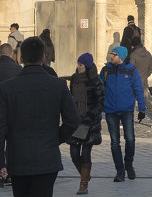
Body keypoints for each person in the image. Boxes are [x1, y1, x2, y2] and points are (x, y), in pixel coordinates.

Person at [0, 36, 79, 197]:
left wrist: (1, 162)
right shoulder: (58, 85)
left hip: (18, 158)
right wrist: (56, 138)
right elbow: (73, 120)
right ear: (43, 57)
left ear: (21, 58)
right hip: (47, 158)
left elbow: (1, 128)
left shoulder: (7, 88)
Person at [101, 45, 145, 182]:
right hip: (110, 110)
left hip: (127, 110)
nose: (111, 56)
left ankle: (129, 164)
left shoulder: (131, 70)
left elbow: (138, 90)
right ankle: (120, 171)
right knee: (115, 142)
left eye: (113, 54)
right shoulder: (106, 70)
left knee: (130, 139)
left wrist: (142, 109)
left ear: (120, 56)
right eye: (111, 54)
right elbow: (99, 88)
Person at [68, 52, 104, 195]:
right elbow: (71, 99)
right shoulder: (75, 79)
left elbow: (100, 102)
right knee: (74, 153)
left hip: (89, 123)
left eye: (81, 65)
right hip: (76, 121)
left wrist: (90, 116)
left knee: (85, 154)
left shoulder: (96, 81)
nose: (78, 67)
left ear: (87, 66)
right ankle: (86, 175)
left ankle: (83, 184)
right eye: (78, 64)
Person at [127, 34, 152, 129]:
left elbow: (130, 69)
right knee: (145, 100)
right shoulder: (148, 53)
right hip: (143, 81)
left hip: (134, 82)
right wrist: (145, 75)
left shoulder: (133, 55)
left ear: (133, 46)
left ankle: (129, 121)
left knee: (131, 101)